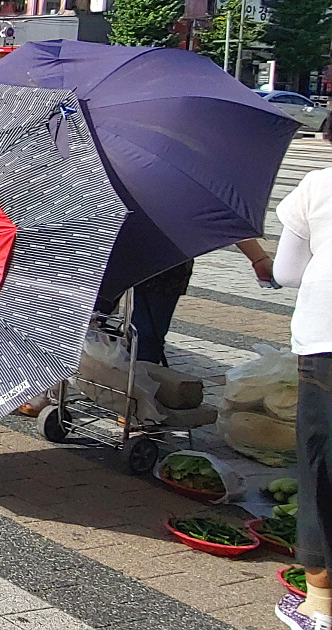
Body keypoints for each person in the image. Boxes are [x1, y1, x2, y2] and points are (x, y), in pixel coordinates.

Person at [276, 129, 332, 630]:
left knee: (321, 467)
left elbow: (287, 272)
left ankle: (319, 604)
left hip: (325, 340)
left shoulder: (317, 186)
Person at [98, 240, 273, 365]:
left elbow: (219, 213)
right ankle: (93, 379)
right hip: (111, 251)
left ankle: (139, 395)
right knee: (90, 322)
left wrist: (258, 259)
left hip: (167, 259)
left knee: (147, 335)